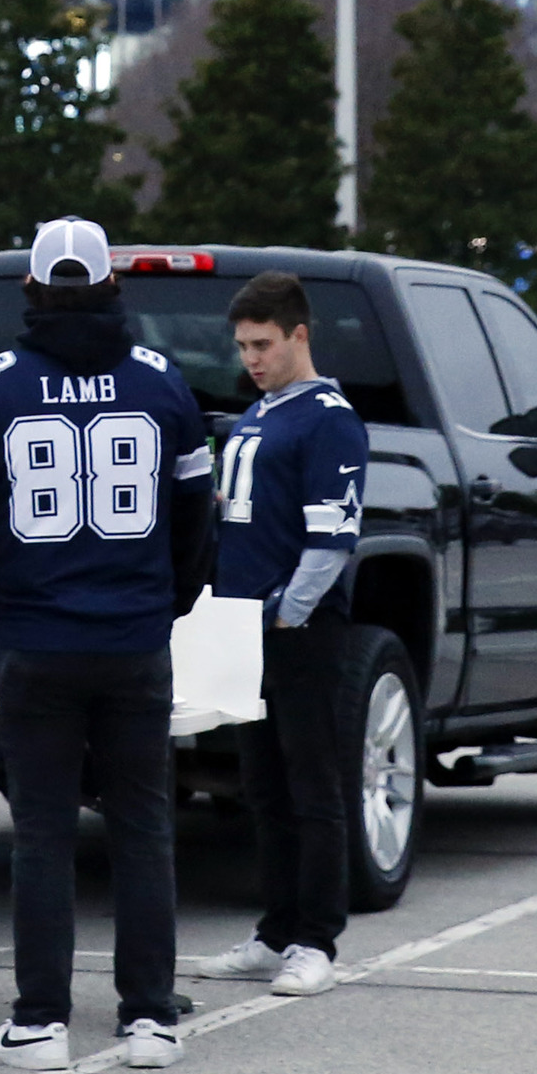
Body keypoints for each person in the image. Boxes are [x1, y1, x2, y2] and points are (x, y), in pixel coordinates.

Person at [0, 217, 215, 1074]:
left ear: (30, 289)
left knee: (46, 834)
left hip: (36, 638)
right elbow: (196, 526)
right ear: (110, 287)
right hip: (133, 638)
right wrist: (160, 605)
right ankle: (149, 1020)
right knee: (143, 827)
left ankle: (41, 1022)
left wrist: (2, 611)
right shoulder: (165, 384)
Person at [194, 269, 371, 1001]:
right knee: (262, 786)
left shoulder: (328, 417)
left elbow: (332, 538)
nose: (252, 359)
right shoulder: (260, 413)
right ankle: (274, 929)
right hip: (240, 626)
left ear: (300, 334)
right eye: (242, 346)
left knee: (313, 785)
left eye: (263, 344)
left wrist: (288, 612)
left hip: (295, 631)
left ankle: (316, 938)